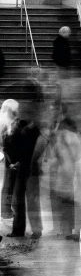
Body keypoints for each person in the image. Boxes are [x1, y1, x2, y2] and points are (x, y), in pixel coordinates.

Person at [0, 99, 42, 238]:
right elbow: (7, 148)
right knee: (17, 200)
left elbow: (27, 146)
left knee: (30, 199)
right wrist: (10, 163)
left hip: (26, 167)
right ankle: (19, 230)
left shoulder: (24, 125)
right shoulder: (8, 127)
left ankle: (35, 230)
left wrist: (19, 161)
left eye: (4, 110)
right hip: (16, 168)